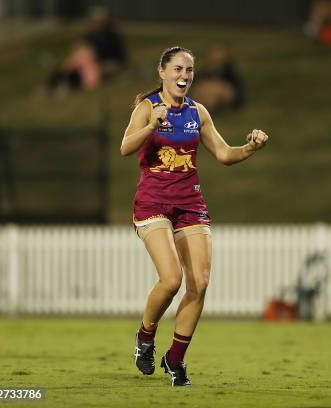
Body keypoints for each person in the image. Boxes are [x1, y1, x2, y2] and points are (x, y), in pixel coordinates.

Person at [120, 46, 269, 387]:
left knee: (199, 283)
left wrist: (249, 148)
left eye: (189, 70)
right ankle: (146, 336)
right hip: (153, 203)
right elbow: (125, 147)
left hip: (189, 203)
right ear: (162, 72)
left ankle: (175, 359)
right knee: (171, 280)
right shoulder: (147, 107)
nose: (184, 76)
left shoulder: (197, 112)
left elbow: (224, 154)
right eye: (177, 69)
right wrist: (150, 127)